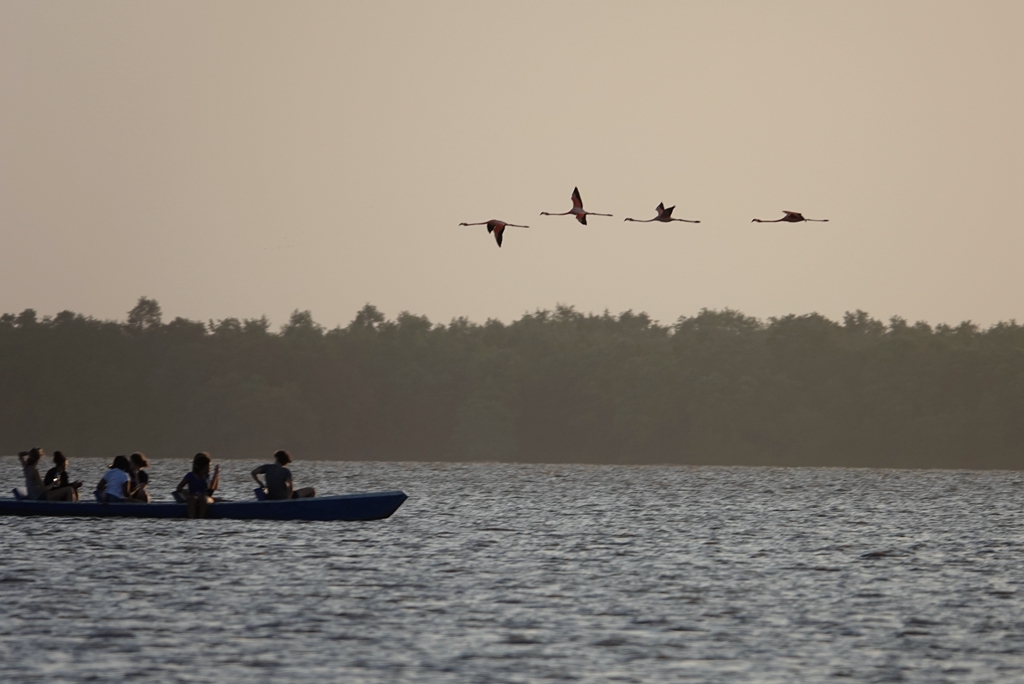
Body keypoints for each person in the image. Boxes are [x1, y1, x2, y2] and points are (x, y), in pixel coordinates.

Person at [251, 450, 316, 500]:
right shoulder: (285, 471)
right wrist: (288, 499)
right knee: (311, 490)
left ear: (277, 459)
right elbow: (290, 486)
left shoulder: (267, 467)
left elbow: (253, 472)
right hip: (284, 498)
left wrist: (261, 484)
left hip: (271, 497)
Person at [176, 452, 220, 518]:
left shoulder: (207, 476)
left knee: (203, 498)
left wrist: (216, 474)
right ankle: (192, 518)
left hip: (205, 497)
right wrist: (184, 491)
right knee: (192, 498)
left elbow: (211, 490)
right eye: (208, 466)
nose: (210, 468)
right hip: (193, 497)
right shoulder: (190, 475)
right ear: (202, 467)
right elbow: (179, 487)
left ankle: (201, 518)